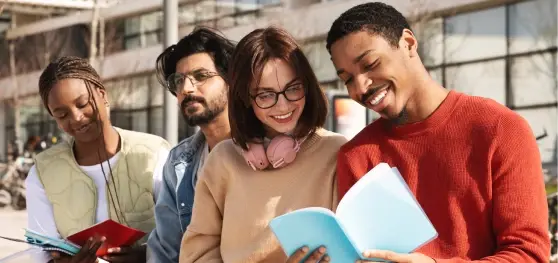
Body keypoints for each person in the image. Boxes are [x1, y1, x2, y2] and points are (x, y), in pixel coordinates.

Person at [325, 2, 550, 263]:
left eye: (370, 63)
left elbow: (529, 255)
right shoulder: (356, 155)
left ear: (408, 43)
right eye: (347, 79)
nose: (360, 87)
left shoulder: (500, 130)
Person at [179, 26, 348, 263]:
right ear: (244, 99)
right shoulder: (223, 160)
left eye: (293, 88)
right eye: (265, 95)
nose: (283, 106)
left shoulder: (336, 152)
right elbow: (196, 256)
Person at [25, 56, 171, 263]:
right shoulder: (42, 172)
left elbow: (181, 234)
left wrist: (146, 255)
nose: (76, 117)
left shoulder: (154, 153)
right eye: (62, 114)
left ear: (102, 95)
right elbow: (40, 254)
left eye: (82, 104)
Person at [147, 27, 235, 263]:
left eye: (201, 76)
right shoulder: (178, 164)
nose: (186, 88)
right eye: (179, 81)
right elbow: (166, 251)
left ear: (229, 80)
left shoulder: (270, 150)